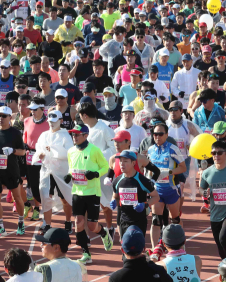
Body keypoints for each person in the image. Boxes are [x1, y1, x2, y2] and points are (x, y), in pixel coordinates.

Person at [63, 124, 112, 264]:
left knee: (92, 225)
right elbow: (72, 168)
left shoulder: (94, 150)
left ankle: (103, 233)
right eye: (73, 134)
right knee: (78, 222)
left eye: (77, 134)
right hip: (77, 191)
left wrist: (96, 173)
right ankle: (86, 253)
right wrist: (68, 175)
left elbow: (105, 167)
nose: (74, 137)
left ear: (85, 135)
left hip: (92, 193)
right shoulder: (71, 151)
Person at [147, 122, 186, 261]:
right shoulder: (150, 149)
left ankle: (181, 246)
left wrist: (169, 172)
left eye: (160, 134)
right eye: (155, 134)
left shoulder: (172, 149)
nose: (157, 136)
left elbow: (183, 168)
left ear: (166, 134)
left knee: (175, 220)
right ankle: (153, 251)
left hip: (171, 189)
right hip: (156, 190)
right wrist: (148, 178)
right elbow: (148, 168)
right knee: (156, 220)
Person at [0, 106, 29, 235]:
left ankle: (21, 222)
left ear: (10, 118)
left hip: (11, 171)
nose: (0, 118)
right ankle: (1, 226)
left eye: (4, 116)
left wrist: (13, 151)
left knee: (17, 198)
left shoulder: (15, 133)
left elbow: (23, 151)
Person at [35, 109, 74, 234]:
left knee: (65, 198)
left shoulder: (65, 136)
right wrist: (40, 154)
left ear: (61, 121)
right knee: (45, 195)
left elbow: (68, 152)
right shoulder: (44, 135)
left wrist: (52, 149)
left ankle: (68, 221)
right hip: (47, 171)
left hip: (61, 171)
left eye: (54, 121)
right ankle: (47, 223)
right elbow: (38, 147)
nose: (51, 123)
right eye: (50, 121)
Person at [109, 150, 159, 237]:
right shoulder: (117, 181)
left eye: (125, 161)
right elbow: (115, 197)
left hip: (139, 221)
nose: (122, 163)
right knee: (125, 246)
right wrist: (114, 201)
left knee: (137, 248)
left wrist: (144, 205)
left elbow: (156, 197)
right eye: (120, 161)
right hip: (123, 220)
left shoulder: (143, 180)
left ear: (133, 163)